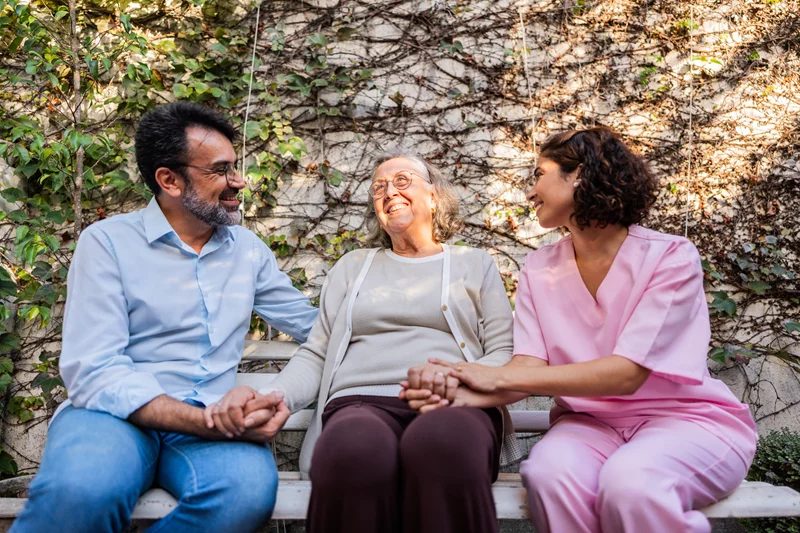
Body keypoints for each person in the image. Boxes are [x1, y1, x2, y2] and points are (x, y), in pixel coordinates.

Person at [412, 127, 758, 533]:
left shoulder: (670, 257)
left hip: (685, 421)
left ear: (579, 174)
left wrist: (495, 375)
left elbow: (628, 373)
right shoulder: (539, 268)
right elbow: (528, 366)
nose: (530, 192)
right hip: (590, 426)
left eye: (539, 174)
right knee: (548, 475)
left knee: (633, 484)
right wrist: (455, 389)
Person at [12, 102, 318, 533]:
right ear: (169, 180)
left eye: (235, 167)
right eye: (221, 170)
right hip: (112, 417)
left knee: (245, 493)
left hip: (208, 421)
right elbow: (94, 369)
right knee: (81, 493)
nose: (239, 182)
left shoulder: (247, 251)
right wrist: (203, 421)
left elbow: (315, 326)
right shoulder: (108, 243)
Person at [249, 152, 519, 533]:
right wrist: (279, 394)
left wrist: (458, 379)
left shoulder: (474, 264)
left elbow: (503, 353)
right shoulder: (353, 266)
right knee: (353, 452)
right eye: (379, 186)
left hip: (455, 402)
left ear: (434, 196)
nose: (389, 191)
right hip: (359, 402)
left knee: (442, 446)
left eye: (403, 180)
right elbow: (317, 352)